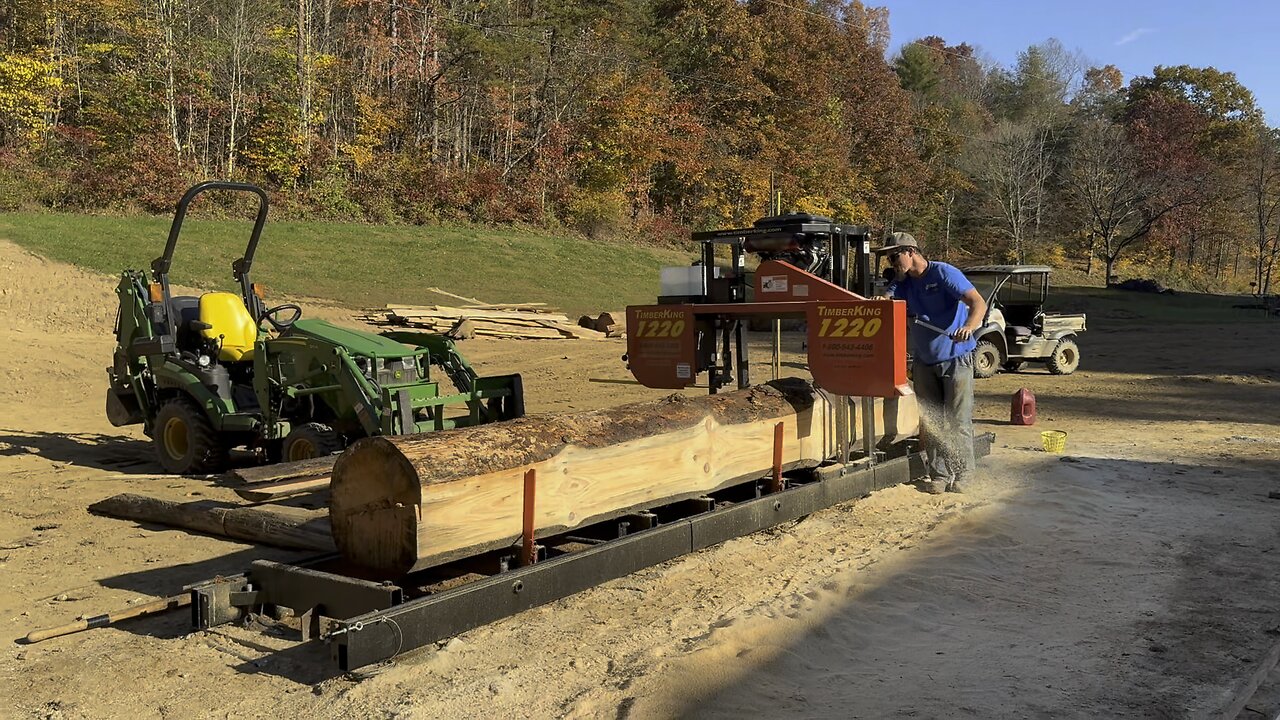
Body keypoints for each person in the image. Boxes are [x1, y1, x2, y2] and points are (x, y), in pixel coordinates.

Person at [875, 232, 987, 494]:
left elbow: (977, 302)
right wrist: (881, 301)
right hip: (925, 361)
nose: (891, 263)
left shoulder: (943, 273)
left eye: (894, 257)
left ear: (910, 252)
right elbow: (887, 299)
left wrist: (969, 327)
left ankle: (964, 474)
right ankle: (939, 475)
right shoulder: (902, 283)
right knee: (932, 421)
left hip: (956, 357)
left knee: (957, 421)